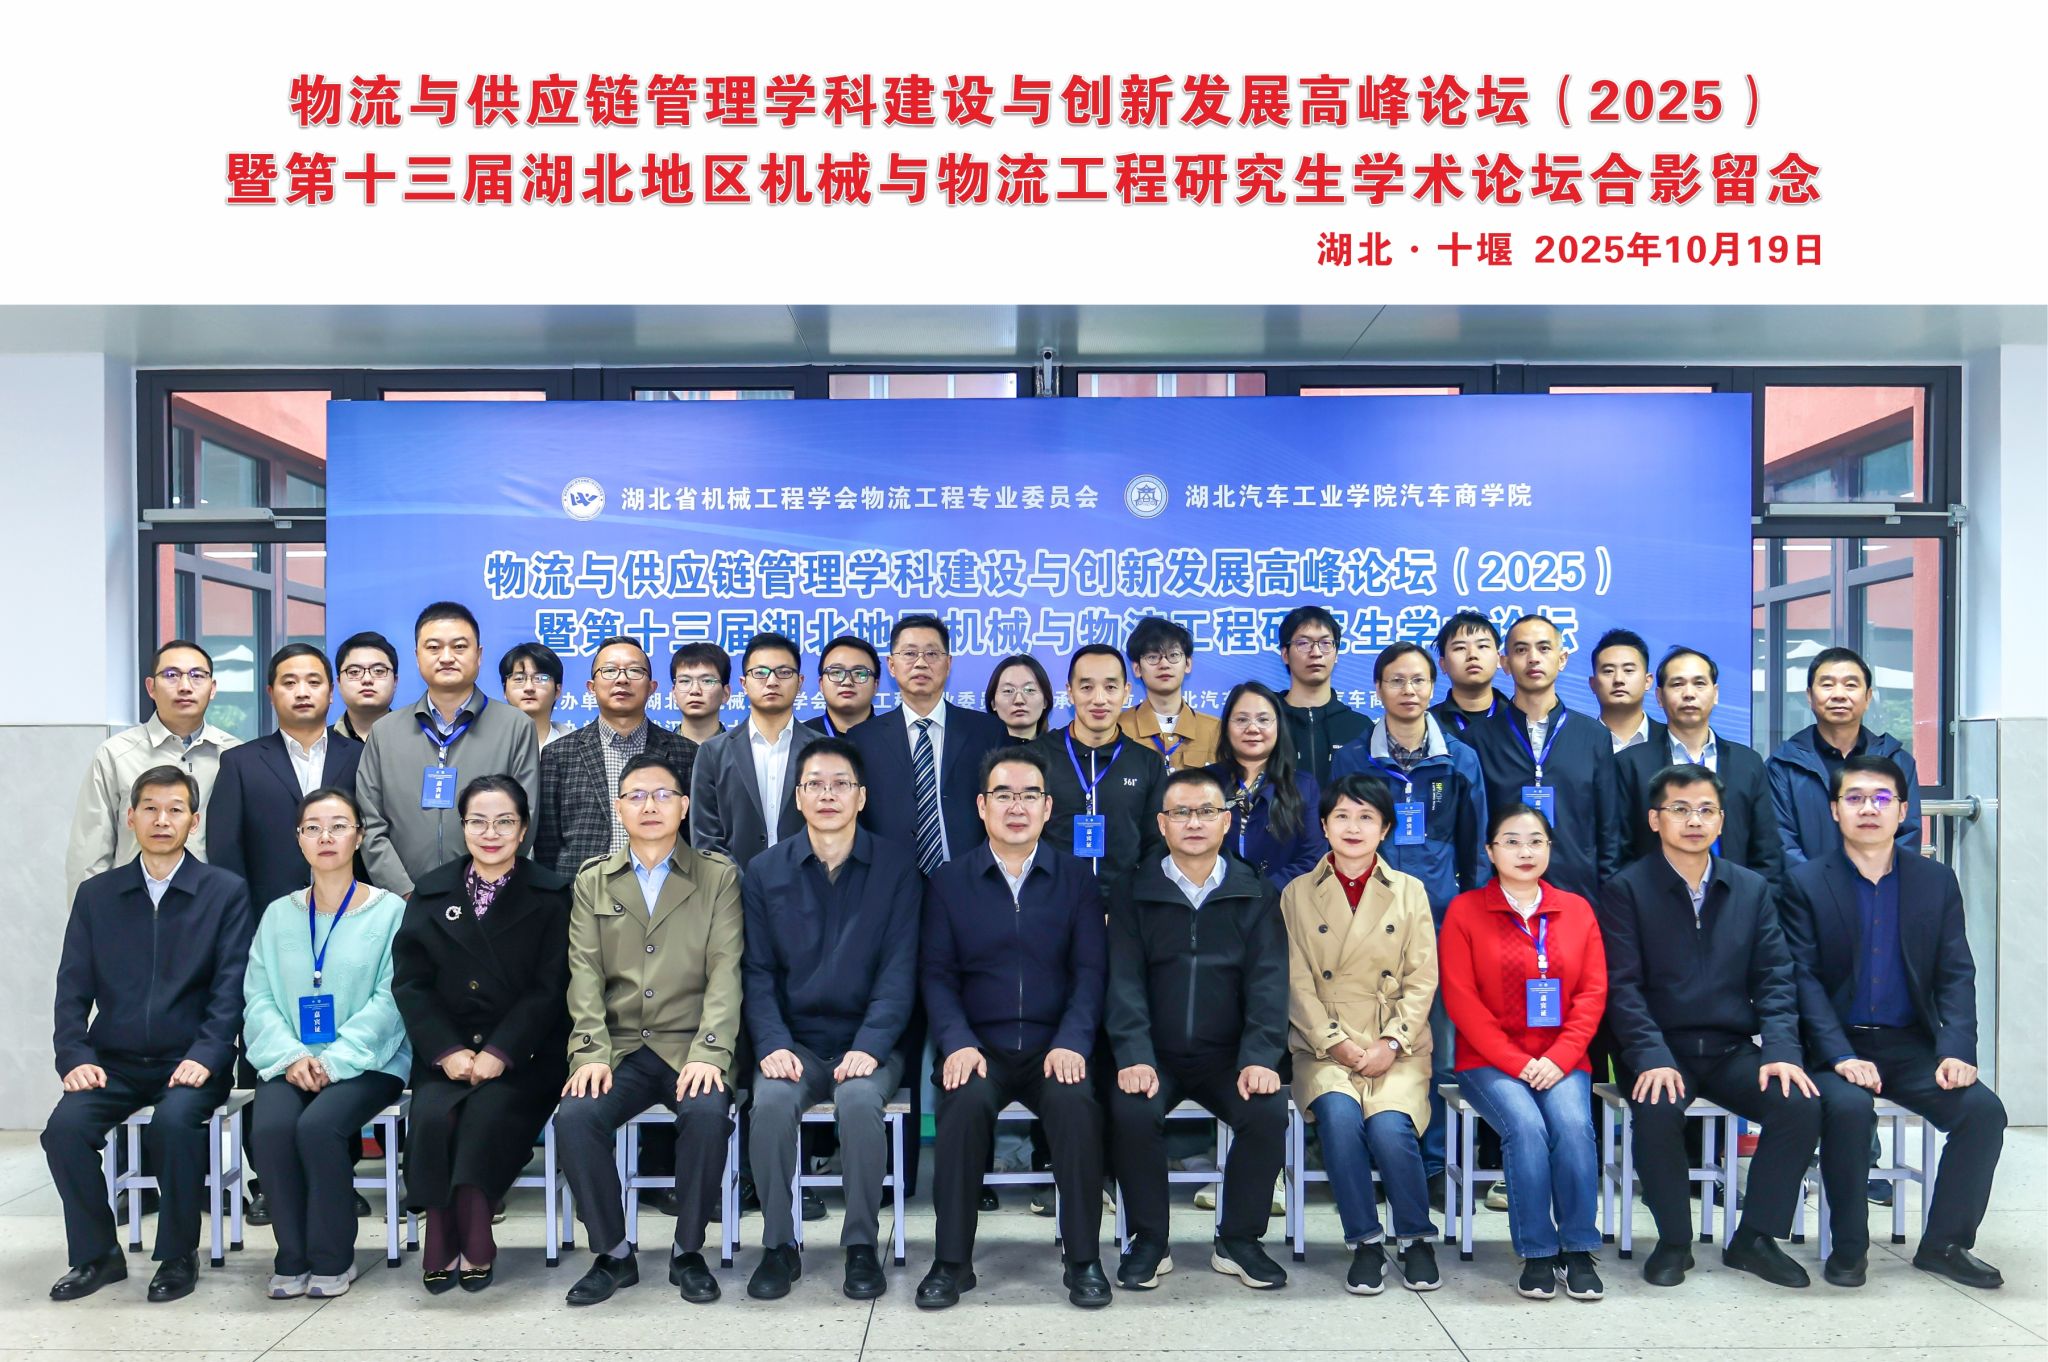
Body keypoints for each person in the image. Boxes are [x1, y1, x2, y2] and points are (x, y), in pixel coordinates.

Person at [1783, 754, 2007, 1291]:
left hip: (1909, 1044)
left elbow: (1955, 973)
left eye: (1882, 799)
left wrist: (1957, 1048)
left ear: (1904, 811)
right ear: (1835, 810)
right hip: (1833, 1045)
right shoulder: (1805, 883)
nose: (1869, 809)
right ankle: (1849, 1247)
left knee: (1983, 1113)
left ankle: (1945, 1244)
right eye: (1855, 798)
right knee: (1849, 1108)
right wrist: (1840, 1055)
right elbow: (1802, 981)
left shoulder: (1935, 881)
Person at [1598, 763, 1823, 1289]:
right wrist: (1650, 1056)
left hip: (1729, 1048)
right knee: (1656, 1109)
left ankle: (1756, 1238)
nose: (1694, 821)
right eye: (1680, 809)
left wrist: (1782, 1049)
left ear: (1722, 820)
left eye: (1706, 810)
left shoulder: (1750, 888)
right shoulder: (1626, 889)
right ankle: (1675, 1242)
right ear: (1655, 819)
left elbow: (1775, 978)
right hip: (1659, 1048)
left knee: (1799, 1104)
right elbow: (1621, 987)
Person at [44, 766, 253, 1304]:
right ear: (130, 818)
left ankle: (178, 1255)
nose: (163, 820)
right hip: (112, 1060)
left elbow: (231, 988)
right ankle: (98, 1255)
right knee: (63, 1131)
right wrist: (74, 1055)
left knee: (175, 1125)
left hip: (190, 1059)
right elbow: (71, 988)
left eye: (176, 809)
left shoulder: (224, 892)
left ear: (194, 821)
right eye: (151, 809)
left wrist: (208, 1053)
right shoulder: (97, 896)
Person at [917, 747, 1111, 1310]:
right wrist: (957, 1043)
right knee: (961, 1107)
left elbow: (1091, 973)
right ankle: (952, 1262)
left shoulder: (1075, 880)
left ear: (1048, 807)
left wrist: (1073, 1041)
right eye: (1004, 795)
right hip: (980, 1046)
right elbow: (936, 975)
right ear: (982, 806)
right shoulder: (950, 881)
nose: (1017, 807)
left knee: (1076, 1108)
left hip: (1055, 1046)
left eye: (1029, 795)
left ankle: (1084, 1260)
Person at [556, 754, 742, 1307]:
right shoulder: (593, 880)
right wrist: (590, 1053)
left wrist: (711, 1052)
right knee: (576, 1117)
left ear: (684, 807)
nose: (650, 806)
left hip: (691, 1045)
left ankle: (688, 1251)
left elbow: (726, 971)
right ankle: (613, 1253)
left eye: (663, 795)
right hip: (620, 1047)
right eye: (636, 796)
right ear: (619, 809)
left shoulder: (717, 877)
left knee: (707, 1114)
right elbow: (584, 973)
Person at [741, 739, 920, 1301]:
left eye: (840, 784)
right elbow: (756, 971)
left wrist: (871, 1044)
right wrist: (772, 1042)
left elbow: (900, 969)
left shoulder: (896, 868)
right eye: (814, 784)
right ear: (797, 797)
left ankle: (861, 1245)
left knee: (861, 1103)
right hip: (793, 1043)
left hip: (868, 1042)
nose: (827, 794)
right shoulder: (765, 871)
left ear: (861, 797)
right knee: (771, 1105)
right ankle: (779, 1245)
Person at [1109, 768, 1291, 1293]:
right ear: (1162, 824)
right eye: (1181, 813)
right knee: (1131, 1110)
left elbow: (1269, 983)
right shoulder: (1133, 891)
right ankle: (1149, 1239)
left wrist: (1259, 1057)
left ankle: (1239, 1240)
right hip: (1156, 1053)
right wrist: (1134, 1054)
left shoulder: (1255, 893)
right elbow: (1123, 982)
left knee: (1267, 1110)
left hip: (1227, 1056)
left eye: (1207, 811)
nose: (1194, 822)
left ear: (1226, 822)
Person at [391, 775, 572, 1294]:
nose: (490, 833)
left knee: (486, 1116)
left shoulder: (552, 894)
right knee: (433, 1117)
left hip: (524, 1054)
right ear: (462, 826)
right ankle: (441, 1229)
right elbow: (411, 984)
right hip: (447, 1051)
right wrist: (446, 1051)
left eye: (504, 822)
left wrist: (501, 1050)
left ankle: (473, 1233)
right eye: (478, 822)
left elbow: (551, 987)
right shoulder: (431, 892)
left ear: (524, 829)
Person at [1331, 640, 1488, 1203]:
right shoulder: (1353, 757)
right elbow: (1340, 839)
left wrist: (1470, 919)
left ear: (1433, 687)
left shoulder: (1459, 759)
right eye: (1396, 681)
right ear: (1378, 689)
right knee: (1367, 1042)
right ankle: (1378, 1161)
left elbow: (1475, 849)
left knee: (1435, 1048)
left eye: (1418, 680)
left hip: (1438, 924)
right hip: (1364, 924)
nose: (1408, 690)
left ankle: (1435, 1164)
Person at [243, 786, 409, 1299]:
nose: (326, 837)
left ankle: (334, 1257)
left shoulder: (389, 912)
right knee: (270, 1128)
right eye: (313, 828)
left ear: (359, 836)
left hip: (370, 1061)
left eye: (339, 826)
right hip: (291, 1059)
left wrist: (335, 1061)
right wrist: (292, 1056)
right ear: (299, 840)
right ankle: (292, 1257)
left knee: (318, 1128)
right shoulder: (278, 914)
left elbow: (392, 999)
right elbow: (258, 997)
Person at [1277, 773, 1441, 1294]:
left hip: (1396, 1044)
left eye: (1366, 817)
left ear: (1385, 828)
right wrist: (1336, 1043)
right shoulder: (1297, 894)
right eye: (1342, 816)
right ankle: (1365, 1242)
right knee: (1340, 1119)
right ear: (1324, 825)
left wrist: (1391, 1042)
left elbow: (1423, 978)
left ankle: (1415, 1238)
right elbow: (1294, 980)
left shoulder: (1410, 891)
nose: (1353, 827)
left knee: (1391, 1129)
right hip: (1324, 1045)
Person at [1438, 804, 1607, 1302]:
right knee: (1526, 1128)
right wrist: (1518, 1063)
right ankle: (1537, 1251)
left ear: (1550, 849)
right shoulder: (1465, 911)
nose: (1524, 851)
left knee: (1573, 1126)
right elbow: (1461, 1000)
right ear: (1490, 852)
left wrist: (1559, 1057)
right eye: (1510, 841)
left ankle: (1578, 1247)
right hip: (1488, 1060)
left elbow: (1593, 992)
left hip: (1562, 1058)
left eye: (1535, 841)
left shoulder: (1576, 910)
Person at [356, 602, 539, 898]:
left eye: (459, 646)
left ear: (479, 655)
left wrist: (486, 889)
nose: (446, 657)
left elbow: (524, 818)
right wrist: (404, 892)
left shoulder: (516, 726)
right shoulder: (385, 732)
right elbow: (370, 822)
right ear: (417, 656)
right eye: (433, 647)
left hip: (489, 899)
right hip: (403, 902)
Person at [1461, 615, 1623, 903]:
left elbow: (1608, 830)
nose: (1533, 658)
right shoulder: (1478, 739)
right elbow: (1472, 830)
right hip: (1501, 898)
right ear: (1505, 663)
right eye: (1521, 650)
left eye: (1544, 648)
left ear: (1562, 659)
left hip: (1577, 894)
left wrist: (1608, 899)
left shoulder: (1593, 736)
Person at [66, 639, 240, 900]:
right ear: (151, 687)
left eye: (197, 675)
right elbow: (90, 853)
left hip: (211, 908)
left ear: (212, 688)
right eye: (171, 675)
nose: (185, 686)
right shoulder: (115, 754)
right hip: (133, 905)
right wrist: (92, 917)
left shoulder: (235, 756)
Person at [848, 614, 1006, 877]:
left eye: (932, 653)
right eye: (909, 653)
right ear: (891, 665)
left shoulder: (987, 731)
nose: (921, 663)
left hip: (971, 877)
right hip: (889, 878)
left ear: (948, 663)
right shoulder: (863, 739)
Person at [211, 644, 364, 911]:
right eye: (289, 683)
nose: (302, 692)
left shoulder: (361, 757)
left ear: (331, 692)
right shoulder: (240, 763)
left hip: (352, 912)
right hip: (267, 916)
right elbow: (225, 853)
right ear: (271, 694)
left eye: (313, 682)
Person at [1616, 647, 1783, 884]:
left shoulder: (1748, 763)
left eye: (1699, 683)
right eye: (1677, 684)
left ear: (1715, 694)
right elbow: (1620, 850)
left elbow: (1767, 853)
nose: (1689, 694)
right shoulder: (1630, 764)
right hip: (1655, 898)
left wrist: (1755, 902)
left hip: (1736, 899)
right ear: (1659, 697)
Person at [534, 636, 698, 877]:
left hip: (665, 890)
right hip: (580, 892)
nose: (622, 679)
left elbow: (692, 835)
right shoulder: (559, 754)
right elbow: (547, 843)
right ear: (591, 687)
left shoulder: (686, 753)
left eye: (634, 671)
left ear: (652, 687)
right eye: (609, 670)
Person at [1025, 644, 1169, 906]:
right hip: (1050, 907)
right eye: (1087, 687)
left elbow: (1156, 845)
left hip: (1123, 912)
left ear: (1126, 692)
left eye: (1111, 687)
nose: (1099, 699)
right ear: (1070, 692)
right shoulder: (1035, 757)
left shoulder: (1147, 763)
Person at [1769, 646, 1923, 866]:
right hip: (1805, 887)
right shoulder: (1782, 766)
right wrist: (1818, 883)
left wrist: (1874, 882)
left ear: (1868, 697)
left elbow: (1907, 836)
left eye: (1850, 685)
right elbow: (1782, 843)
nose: (1839, 695)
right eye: (1827, 685)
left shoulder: (1897, 762)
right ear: (1810, 696)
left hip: (1881, 886)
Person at [688, 631, 819, 874]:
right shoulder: (713, 752)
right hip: (733, 890)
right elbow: (706, 839)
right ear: (744, 684)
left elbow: (833, 827)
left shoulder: (822, 750)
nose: (772, 681)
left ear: (800, 682)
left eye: (784, 672)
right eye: (760, 673)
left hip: (808, 888)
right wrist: (743, 885)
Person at [1209, 680, 1327, 891]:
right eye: (1241, 719)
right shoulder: (1203, 783)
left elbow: (1312, 858)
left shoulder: (1303, 786)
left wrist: (1264, 892)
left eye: (1263, 720)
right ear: (1226, 726)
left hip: (1280, 902)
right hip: (1214, 900)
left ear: (1278, 726)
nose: (1252, 728)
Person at [1275, 605, 1369, 784]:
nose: (1316, 653)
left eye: (1326, 643)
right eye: (1304, 644)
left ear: (1336, 654)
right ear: (1285, 654)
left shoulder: (1360, 728)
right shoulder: (1268, 724)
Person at [1118, 615, 1221, 770]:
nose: (1164, 664)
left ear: (1187, 664)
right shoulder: (1118, 728)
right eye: (1153, 657)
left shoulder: (1215, 730)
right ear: (1137, 668)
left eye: (1173, 655)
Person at [1430, 610, 1510, 738]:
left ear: (1498, 659)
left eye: (1482, 646)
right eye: (1460, 648)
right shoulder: (1427, 725)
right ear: (1443, 664)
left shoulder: (1521, 719)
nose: (1472, 655)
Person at [1588, 629, 1656, 752]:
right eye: (1608, 671)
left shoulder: (1670, 739)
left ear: (1647, 681)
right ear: (1593, 684)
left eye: (1628, 670)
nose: (1618, 679)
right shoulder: (1575, 742)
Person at [502, 642, 577, 750]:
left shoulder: (576, 749)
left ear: (557, 690)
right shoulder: (487, 745)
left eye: (540, 678)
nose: (529, 687)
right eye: (519, 679)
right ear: (505, 690)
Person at [332, 630, 400, 742]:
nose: (367, 679)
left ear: (395, 681)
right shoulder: (323, 744)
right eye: (354, 672)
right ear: (339, 683)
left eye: (378, 671)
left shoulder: (418, 740)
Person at [808, 634, 880, 736]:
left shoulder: (896, 738)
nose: (847, 682)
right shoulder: (799, 738)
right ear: (821, 684)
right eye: (837, 672)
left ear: (875, 685)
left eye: (859, 673)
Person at [669, 641, 733, 746]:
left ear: (725, 693)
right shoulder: (656, 751)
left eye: (707, 681)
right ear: (674, 693)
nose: (695, 690)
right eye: (685, 681)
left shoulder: (742, 751)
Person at [985, 653, 1053, 742]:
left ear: (1045, 701)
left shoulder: (1060, 749)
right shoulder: (977, 749)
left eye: (1029, 690)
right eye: (1008, 691)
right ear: (993, 703)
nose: (1019, 700)